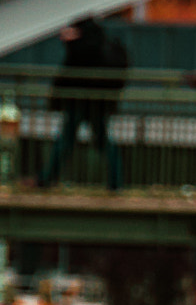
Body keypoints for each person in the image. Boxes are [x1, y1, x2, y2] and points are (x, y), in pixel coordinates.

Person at [39, 18, 129, 190]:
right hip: (96, 101)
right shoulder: (98, 39)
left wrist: (72, 42)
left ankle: (48, 178)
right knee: (100, 141)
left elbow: (76, 65)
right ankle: (116, 183)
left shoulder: (85, 42)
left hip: (81, 100)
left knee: (67, 140)